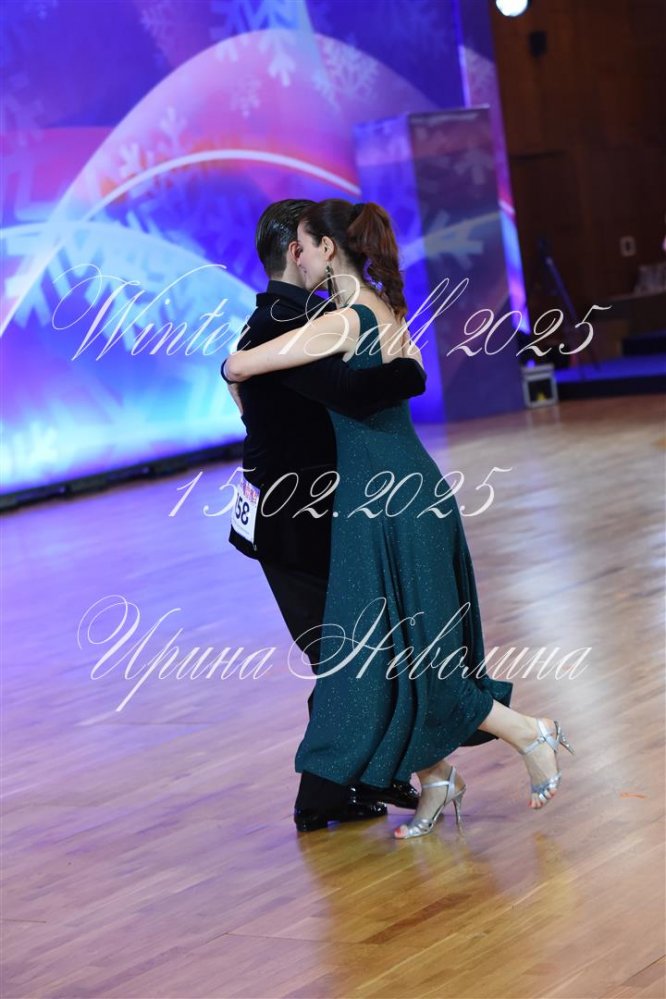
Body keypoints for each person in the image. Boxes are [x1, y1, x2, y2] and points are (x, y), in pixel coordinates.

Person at [222, 199, 575, 840]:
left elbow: (245, 365)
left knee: (420, 660)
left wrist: (233, 372)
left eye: (309, 244)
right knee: (410, 653)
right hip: (400, 493)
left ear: (327, 248)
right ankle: (436, 780)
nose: (303, 257)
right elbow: (398, 377)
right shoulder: (382, 309)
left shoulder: (342, 320)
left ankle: (530, 731)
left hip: (389, 503)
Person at [223, 199, 424, 832]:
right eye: (312, 242)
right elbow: (350, 394)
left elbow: (243, 392)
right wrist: (410, 368)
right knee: (345, 655)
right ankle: (331, 790)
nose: (320, 251)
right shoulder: (299, 322)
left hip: (286, 514)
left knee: (345, 654)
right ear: (297, 251)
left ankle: (342, 784)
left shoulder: (266, 320)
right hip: (300, 520)